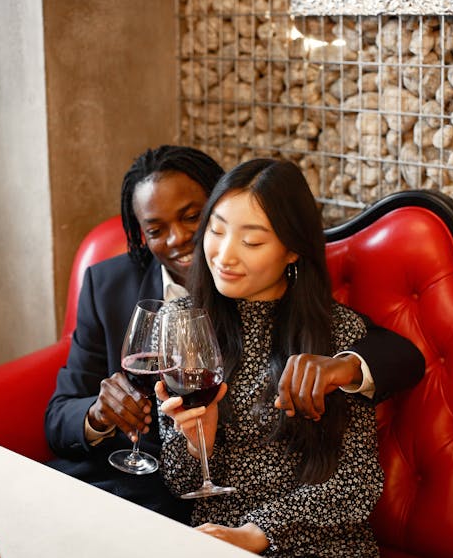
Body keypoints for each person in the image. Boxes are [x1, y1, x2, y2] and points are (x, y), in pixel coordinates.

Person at [44, 145, 423, 523]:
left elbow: (395, 356)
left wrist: (346, 368)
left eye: (193, 217)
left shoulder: (323, 326)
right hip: (126, 486)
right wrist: (100, 414)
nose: (179, 239)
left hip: (187, 513)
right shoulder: (111, 286)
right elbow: (61, 416)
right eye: (156, 230)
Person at [156, 158, 385, 555]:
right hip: (217, 545)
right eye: (216, 230)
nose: (224, 256)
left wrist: (255, 532)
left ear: (293, 250)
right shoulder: (181, 323)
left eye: (252, 241)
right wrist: (197, 445)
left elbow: (357, 480)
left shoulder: (338, 335)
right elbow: (180, 484)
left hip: (323, 545)